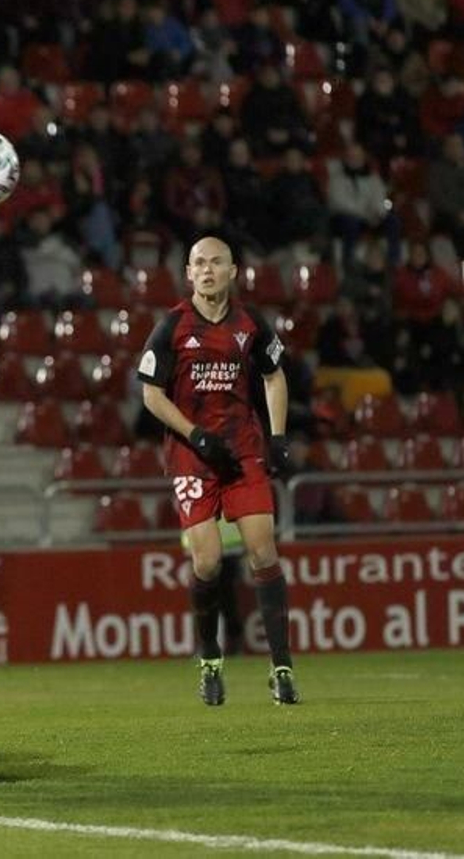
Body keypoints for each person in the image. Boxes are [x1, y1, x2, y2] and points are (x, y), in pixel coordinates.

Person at [137, 235, 299, 707]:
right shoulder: (172, 327)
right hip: (193, 456)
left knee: (264, 553)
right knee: (206, 561)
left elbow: (274, 375)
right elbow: (150, 392)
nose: (208, 270)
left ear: (233, 271)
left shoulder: (251, 323)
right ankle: (210, 657)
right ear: (188, 274)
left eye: (216, 263)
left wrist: (279, 435)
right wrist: (194, 433)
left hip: (243, 451)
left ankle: (282, 668)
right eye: (199, 264)